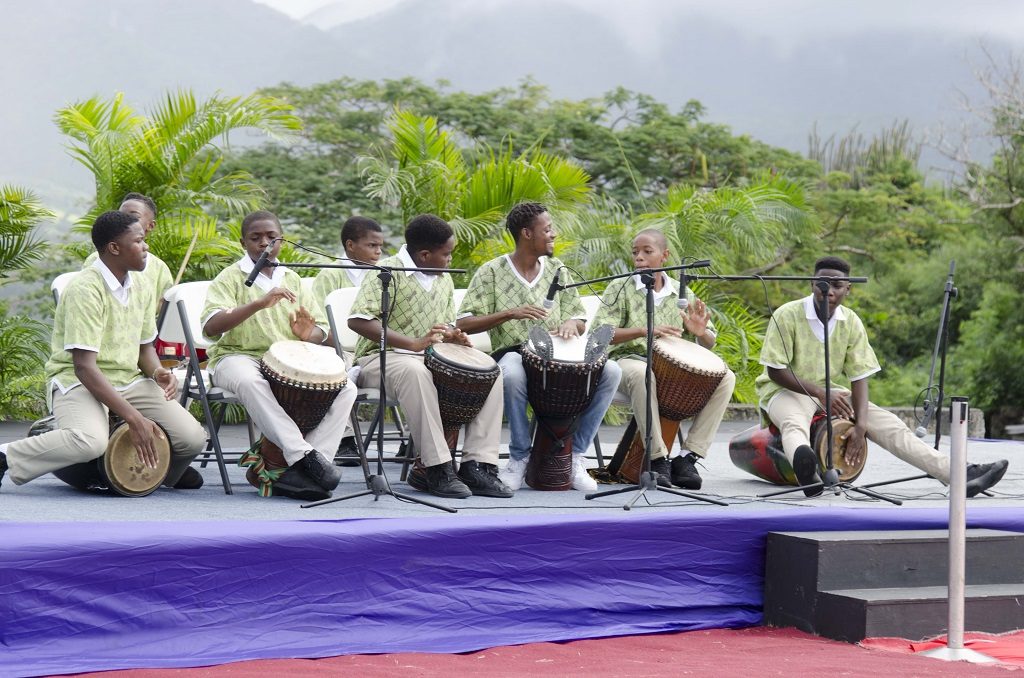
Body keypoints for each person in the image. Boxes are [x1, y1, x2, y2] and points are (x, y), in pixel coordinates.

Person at [756, 255, 1009, 497]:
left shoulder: (851, 322)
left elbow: (859, 376)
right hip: (786, 390)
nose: (829, 291)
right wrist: (820, 393)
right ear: (812, 284)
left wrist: (861, 425)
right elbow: (776, 371)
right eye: (822, 284)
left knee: (891, 426)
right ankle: (807, 472)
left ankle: (959, 474)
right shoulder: (787, 314)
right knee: (794, 422)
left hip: (829, 391)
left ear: (848, 289)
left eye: (837, 285)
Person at [0, 211, 206, 491]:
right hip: (79, 380)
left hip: (128, 380)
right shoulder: (85, 289)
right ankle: (6, 456)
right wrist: (133, 417)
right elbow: (84, 367)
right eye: (139, 241)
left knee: (192, 438)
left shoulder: (143, 285)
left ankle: (158, 473)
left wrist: (158, 371)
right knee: (90, 442)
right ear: (114, 248)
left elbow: (144, 347)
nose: (146, 246)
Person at [457, 202, 622, 492]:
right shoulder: (491, 271)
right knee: (511, 373)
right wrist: (510, 313)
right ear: (526, 234)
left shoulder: (558, 270)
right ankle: (519, 458)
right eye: (547, 229)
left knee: (611, 371)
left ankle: (575, 456)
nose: (553, 234)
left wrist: (572, 323)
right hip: (514, 352)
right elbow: (464, 322)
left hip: (561, 357)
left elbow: (579, 318)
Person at [348, 214, 512, 499]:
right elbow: (358, 321)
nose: (450, 260)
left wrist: (453, 336)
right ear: (424, 255)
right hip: (381, 358)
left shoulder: (443, 279)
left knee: (490, 374)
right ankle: (435, 468)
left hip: (428, 358)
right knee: (416, 372)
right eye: (446, 254)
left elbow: (445, 325)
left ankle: (478, 465)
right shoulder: (385, 272)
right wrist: (412, 344)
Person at [202, 210, 358, 501]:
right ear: (243, 243)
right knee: (251, 382)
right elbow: (211, 327)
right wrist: (257, 304)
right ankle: (303, 457)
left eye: (271, 237)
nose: (264, 243)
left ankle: (310, 466)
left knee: (346, 387)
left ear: (282, 240)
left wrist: (309, 333)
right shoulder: (230, 278)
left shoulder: (293, 278)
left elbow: (320, 332)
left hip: (290, 361)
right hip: (237, 356)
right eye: (255, 238)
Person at [595, 228, 735, 489]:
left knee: (726, 377)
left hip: (671, 370)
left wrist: (701, 333)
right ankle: (658, 459)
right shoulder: (620, 287)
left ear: (665, 256)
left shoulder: (682, 294)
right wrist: (643, 330)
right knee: (643, 374)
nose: (639, 257)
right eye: (635, 252)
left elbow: (710, 340)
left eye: (647, 251)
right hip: (630, 360)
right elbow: (601, 334)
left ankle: (688, 457)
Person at [85, 193, 173, 303]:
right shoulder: (96, 261)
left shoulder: (159, 269)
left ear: (150, 226)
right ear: (113, 248)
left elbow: (165, 306)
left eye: (133, 217)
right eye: (121, 215)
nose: (125, 221)